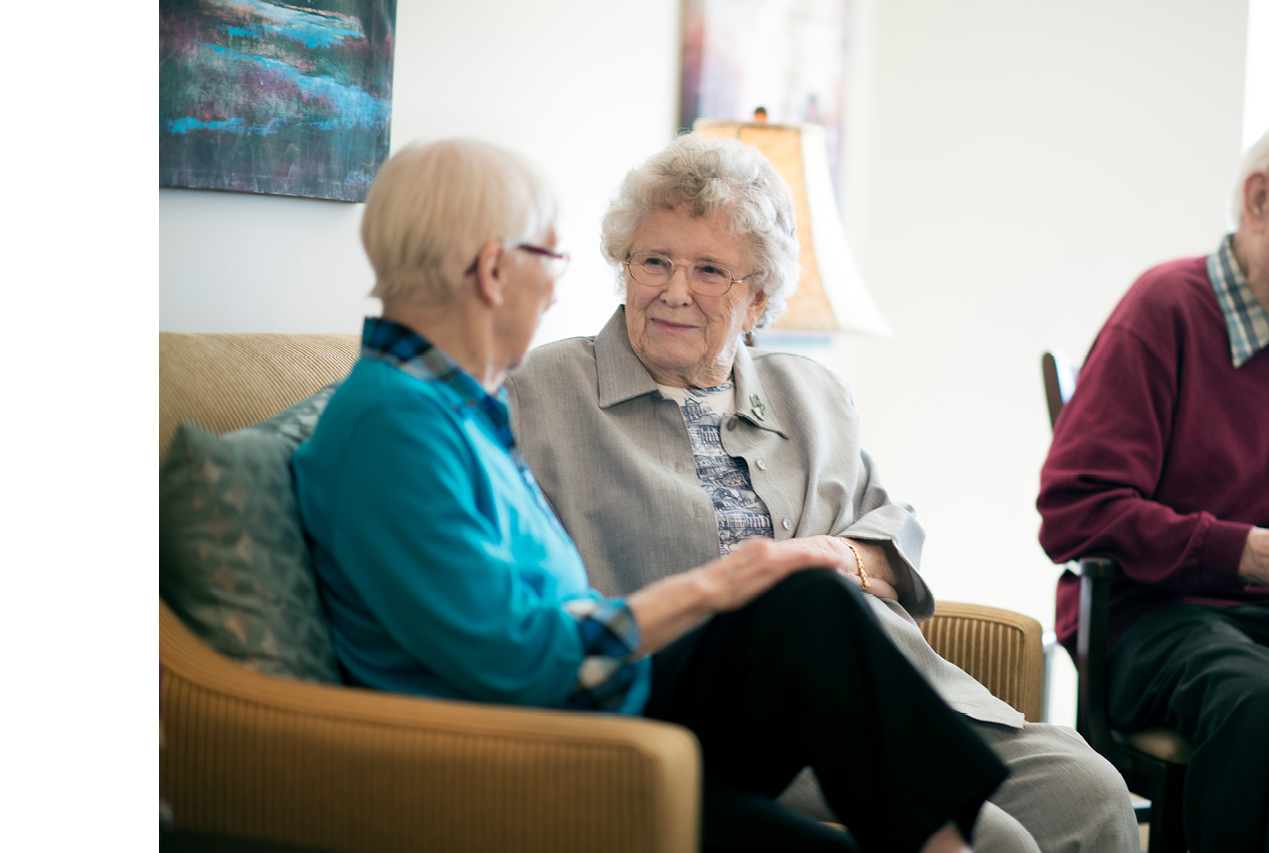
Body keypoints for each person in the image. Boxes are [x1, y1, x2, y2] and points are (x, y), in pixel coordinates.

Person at [292, 139, 1010, 853]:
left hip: (596, 717)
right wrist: (717, 583)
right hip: (531, 763)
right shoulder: (399, 425)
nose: (557, 290)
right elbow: (518, 659)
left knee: (804, 604)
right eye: (550, 258)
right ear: (491, 271)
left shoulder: (454, 410)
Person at [505, 133, 1139, 853]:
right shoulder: (543, 392)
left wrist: (837, 556)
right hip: (733, 716)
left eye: (710, 269)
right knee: (993, 837)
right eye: (654, 261)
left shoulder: (809, 392)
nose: (674, 292)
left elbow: (892, 527)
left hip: (886, 687)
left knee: (1090, 789)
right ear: (623, 267)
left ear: (760, 299)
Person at [1037, 131, 1269, 852]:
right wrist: (1245, 553)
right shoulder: (1165, 308)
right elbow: (1075, 510)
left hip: (1252, 623)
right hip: (1149, 617)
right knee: (1261, 703)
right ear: (1261, 200)